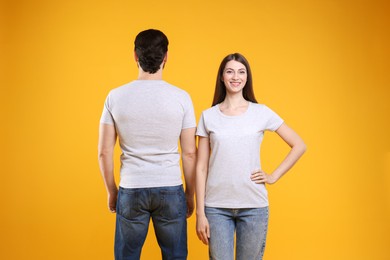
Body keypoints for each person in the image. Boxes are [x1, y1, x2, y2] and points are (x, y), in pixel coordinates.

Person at [195, 53, 306, 260]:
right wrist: (200, 213)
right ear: (221, 77)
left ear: (247, 77)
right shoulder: (208, 116)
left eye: (241, 72)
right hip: (216, 208)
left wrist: (273, 176)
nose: (235, 77)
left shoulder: (261, 112)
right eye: (230, 71)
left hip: (254, 206)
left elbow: (299, 145)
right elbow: (201, 168)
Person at [98, 29, 197, 260]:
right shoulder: (182, 97)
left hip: (131, 188)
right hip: (170, 188)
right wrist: (189, 194)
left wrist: (112, 191)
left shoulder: (115, 97)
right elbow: (190, 153)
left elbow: (104, 152)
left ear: (135, 55)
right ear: (166, 57)